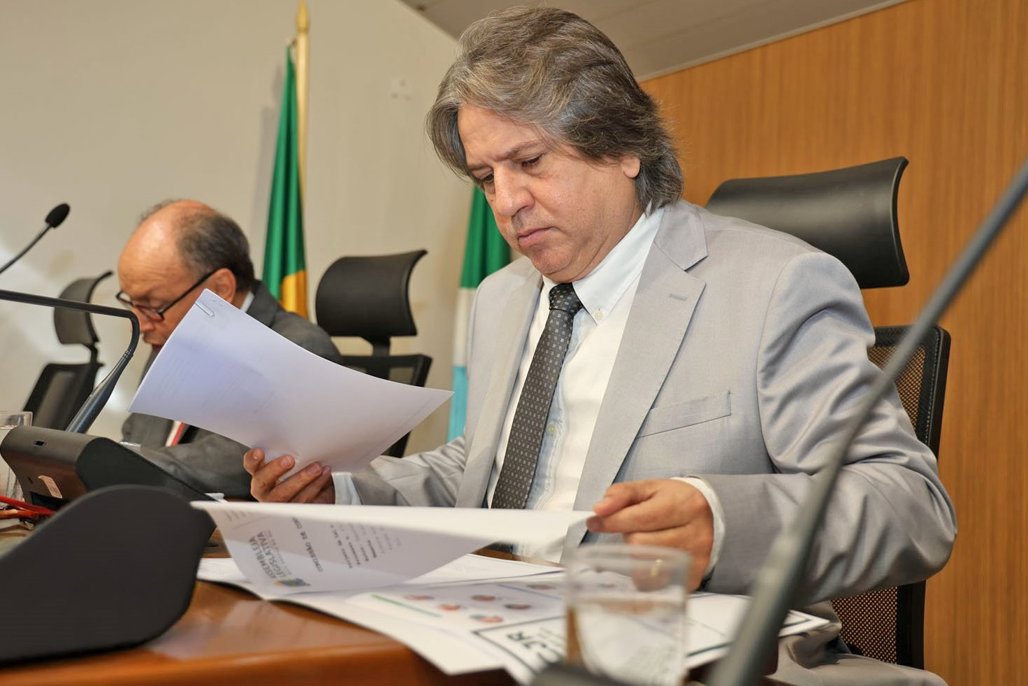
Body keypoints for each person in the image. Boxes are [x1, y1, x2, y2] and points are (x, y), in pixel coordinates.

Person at [245, 8, 955, 684]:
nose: (506, 203)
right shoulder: (503, 296)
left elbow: (910, 505)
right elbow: (478, 469)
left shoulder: (774, 285)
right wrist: (339, 490)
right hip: (495, 633)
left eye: (529, 161)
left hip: (689, 659)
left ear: (622, 146)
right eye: (487, 178)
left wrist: (720, 520)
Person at [116, 199, 344, 498]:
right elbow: (137, 441)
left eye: (152, 305)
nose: (141, 324)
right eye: (131, 303)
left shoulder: (298, 349)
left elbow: (235, 465)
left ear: (221, 288)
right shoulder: (168, 337)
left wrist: (108, 462)